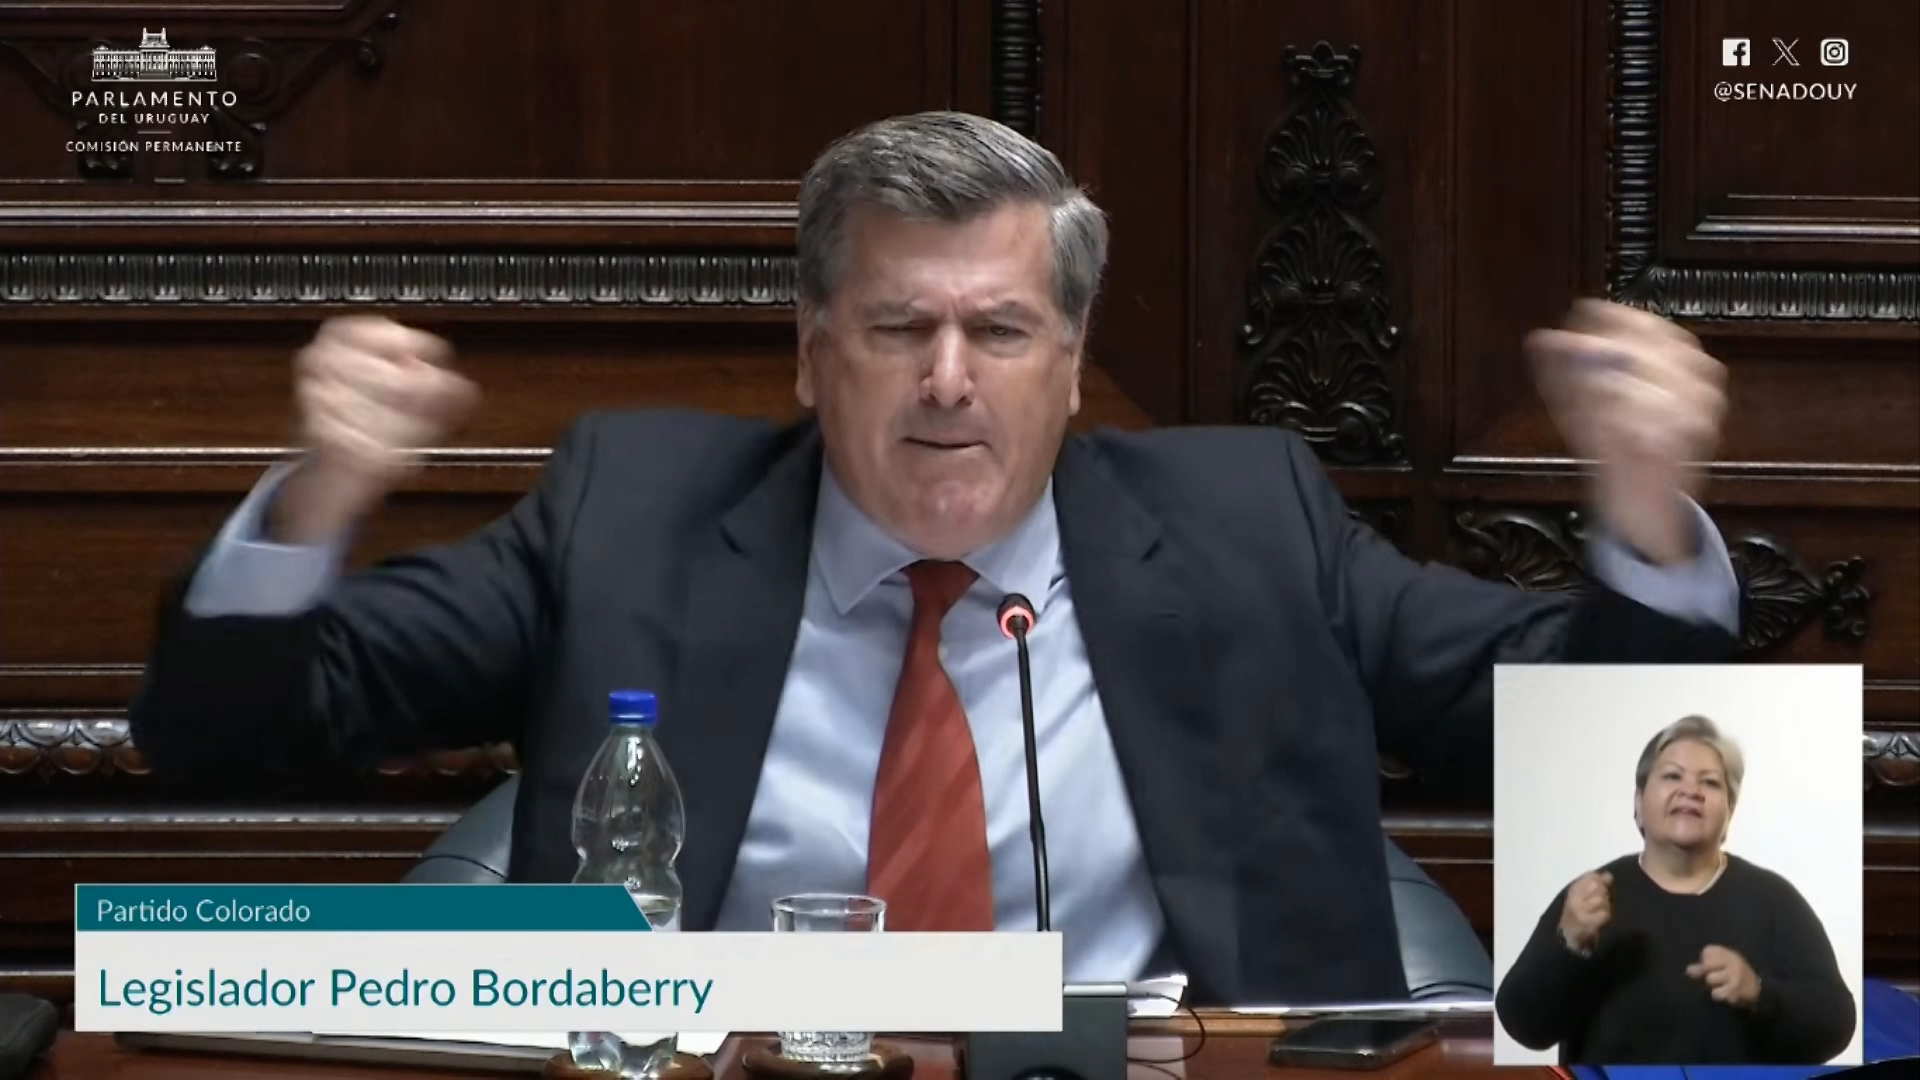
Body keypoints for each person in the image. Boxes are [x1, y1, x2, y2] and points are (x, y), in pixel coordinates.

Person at [129, 111, 1740, 1007]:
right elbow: (228, 736)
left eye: (1002, 331)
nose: (950, 380)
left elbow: (1586, 740)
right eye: (900, 327)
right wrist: (321, 500)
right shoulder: (633, 513)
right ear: (812, 352)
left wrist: (1653, 522)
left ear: (1072, 361)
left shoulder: (1248, 523)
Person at [1495, 715, 1856, 1063]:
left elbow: (1836, 1025)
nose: (1690, 791)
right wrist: (1569, 943)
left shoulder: (1774, 900)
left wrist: (1759, 993)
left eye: (1710, 783)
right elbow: (1523, 1025)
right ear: (1638, 803)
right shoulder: (1590, 899)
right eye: (1672, 776)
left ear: (1729, 812)